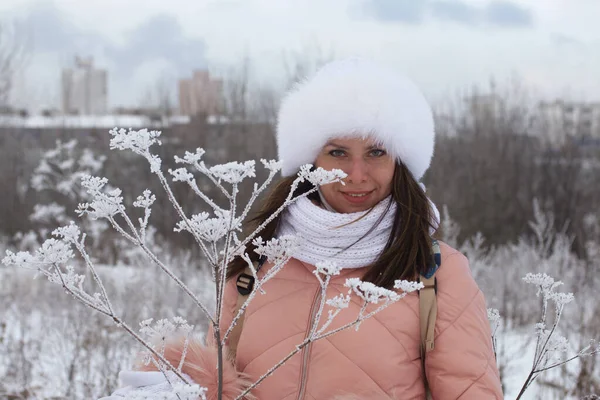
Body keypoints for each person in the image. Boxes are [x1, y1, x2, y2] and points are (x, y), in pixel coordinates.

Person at [103, 58, 503, 400]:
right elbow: (226, 380)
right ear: (309, 159)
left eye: (376, 152)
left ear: (401, 162)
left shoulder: (435, 272)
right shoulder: (257, 263)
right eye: (337, 153)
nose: (356, 174)